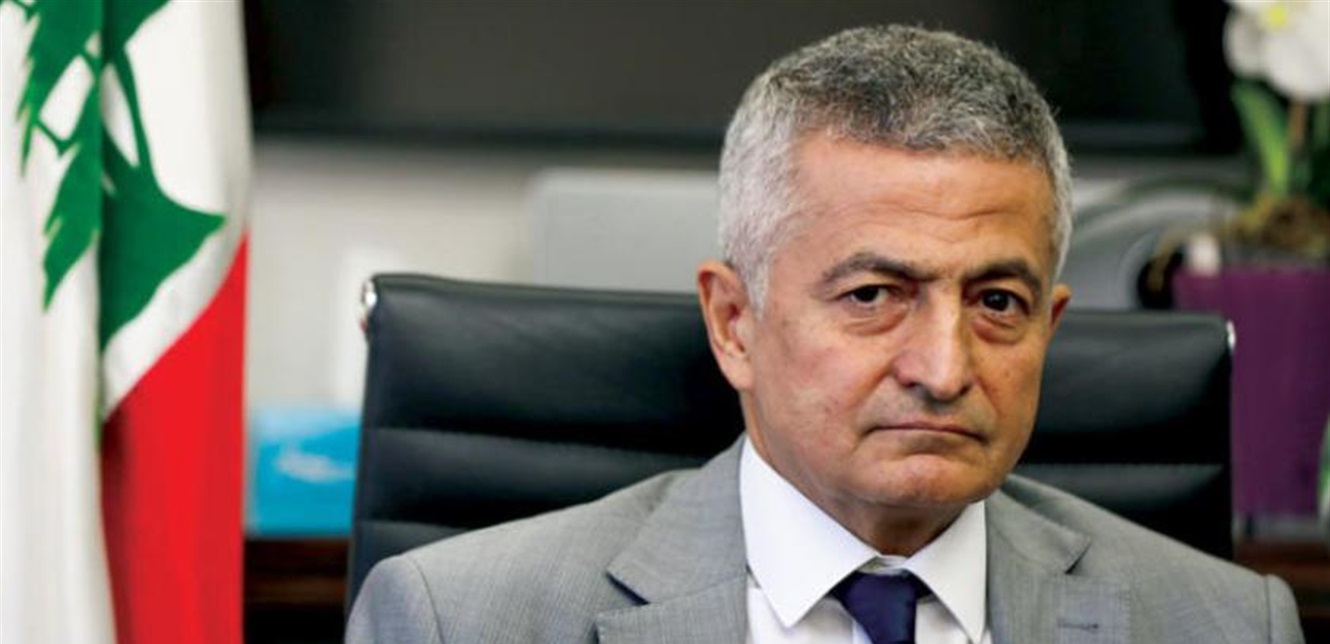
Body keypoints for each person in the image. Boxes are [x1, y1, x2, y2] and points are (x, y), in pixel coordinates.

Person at [347, 25, 1304, 644]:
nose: (943, 369)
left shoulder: (1224, 626)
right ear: (734, 324)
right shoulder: (459, 620)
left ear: (1049, 327)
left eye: (997, 304)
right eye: (874, 295)